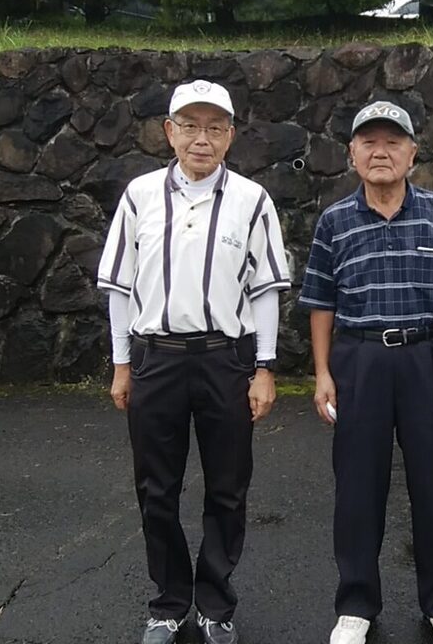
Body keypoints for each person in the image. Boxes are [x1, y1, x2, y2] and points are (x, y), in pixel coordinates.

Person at [97, 79, 290, 644]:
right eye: (189, 126)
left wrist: (264, 369)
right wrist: (121, 364)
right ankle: (168, 603)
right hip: (155, 358)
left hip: (225, 360)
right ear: (169, 131)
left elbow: (265, 290)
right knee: (156, 489)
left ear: (230, 136)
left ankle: (215, 604)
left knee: (228, 488)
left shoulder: (252, 200)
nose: (200, 139)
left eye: (213, 128)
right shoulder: (139, 196)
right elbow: (119, 287)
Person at [299, 100, 433, 644]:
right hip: (360, 361)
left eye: (393, 142)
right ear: (352, 153)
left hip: (428, 359)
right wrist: (323, 373)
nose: (381, 152)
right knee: (358, 488)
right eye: (369, 143)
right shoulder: (334, 221)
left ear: (412, 153)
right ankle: (356, 604)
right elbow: (321, 303)